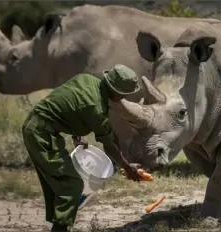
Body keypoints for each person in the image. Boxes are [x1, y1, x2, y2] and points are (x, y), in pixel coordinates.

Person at [21, 64, 144, 232]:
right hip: (41, 134)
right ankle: (59, 229)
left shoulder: (87, 79)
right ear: (115, 90)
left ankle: (59, 225)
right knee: (71, 185)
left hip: (38, 127)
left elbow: (69, 103)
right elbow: (109, 146)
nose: (124, 97)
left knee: (59, 185)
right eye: (124, 93)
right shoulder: (96, 109)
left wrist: (77, 136)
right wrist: (127, 167)